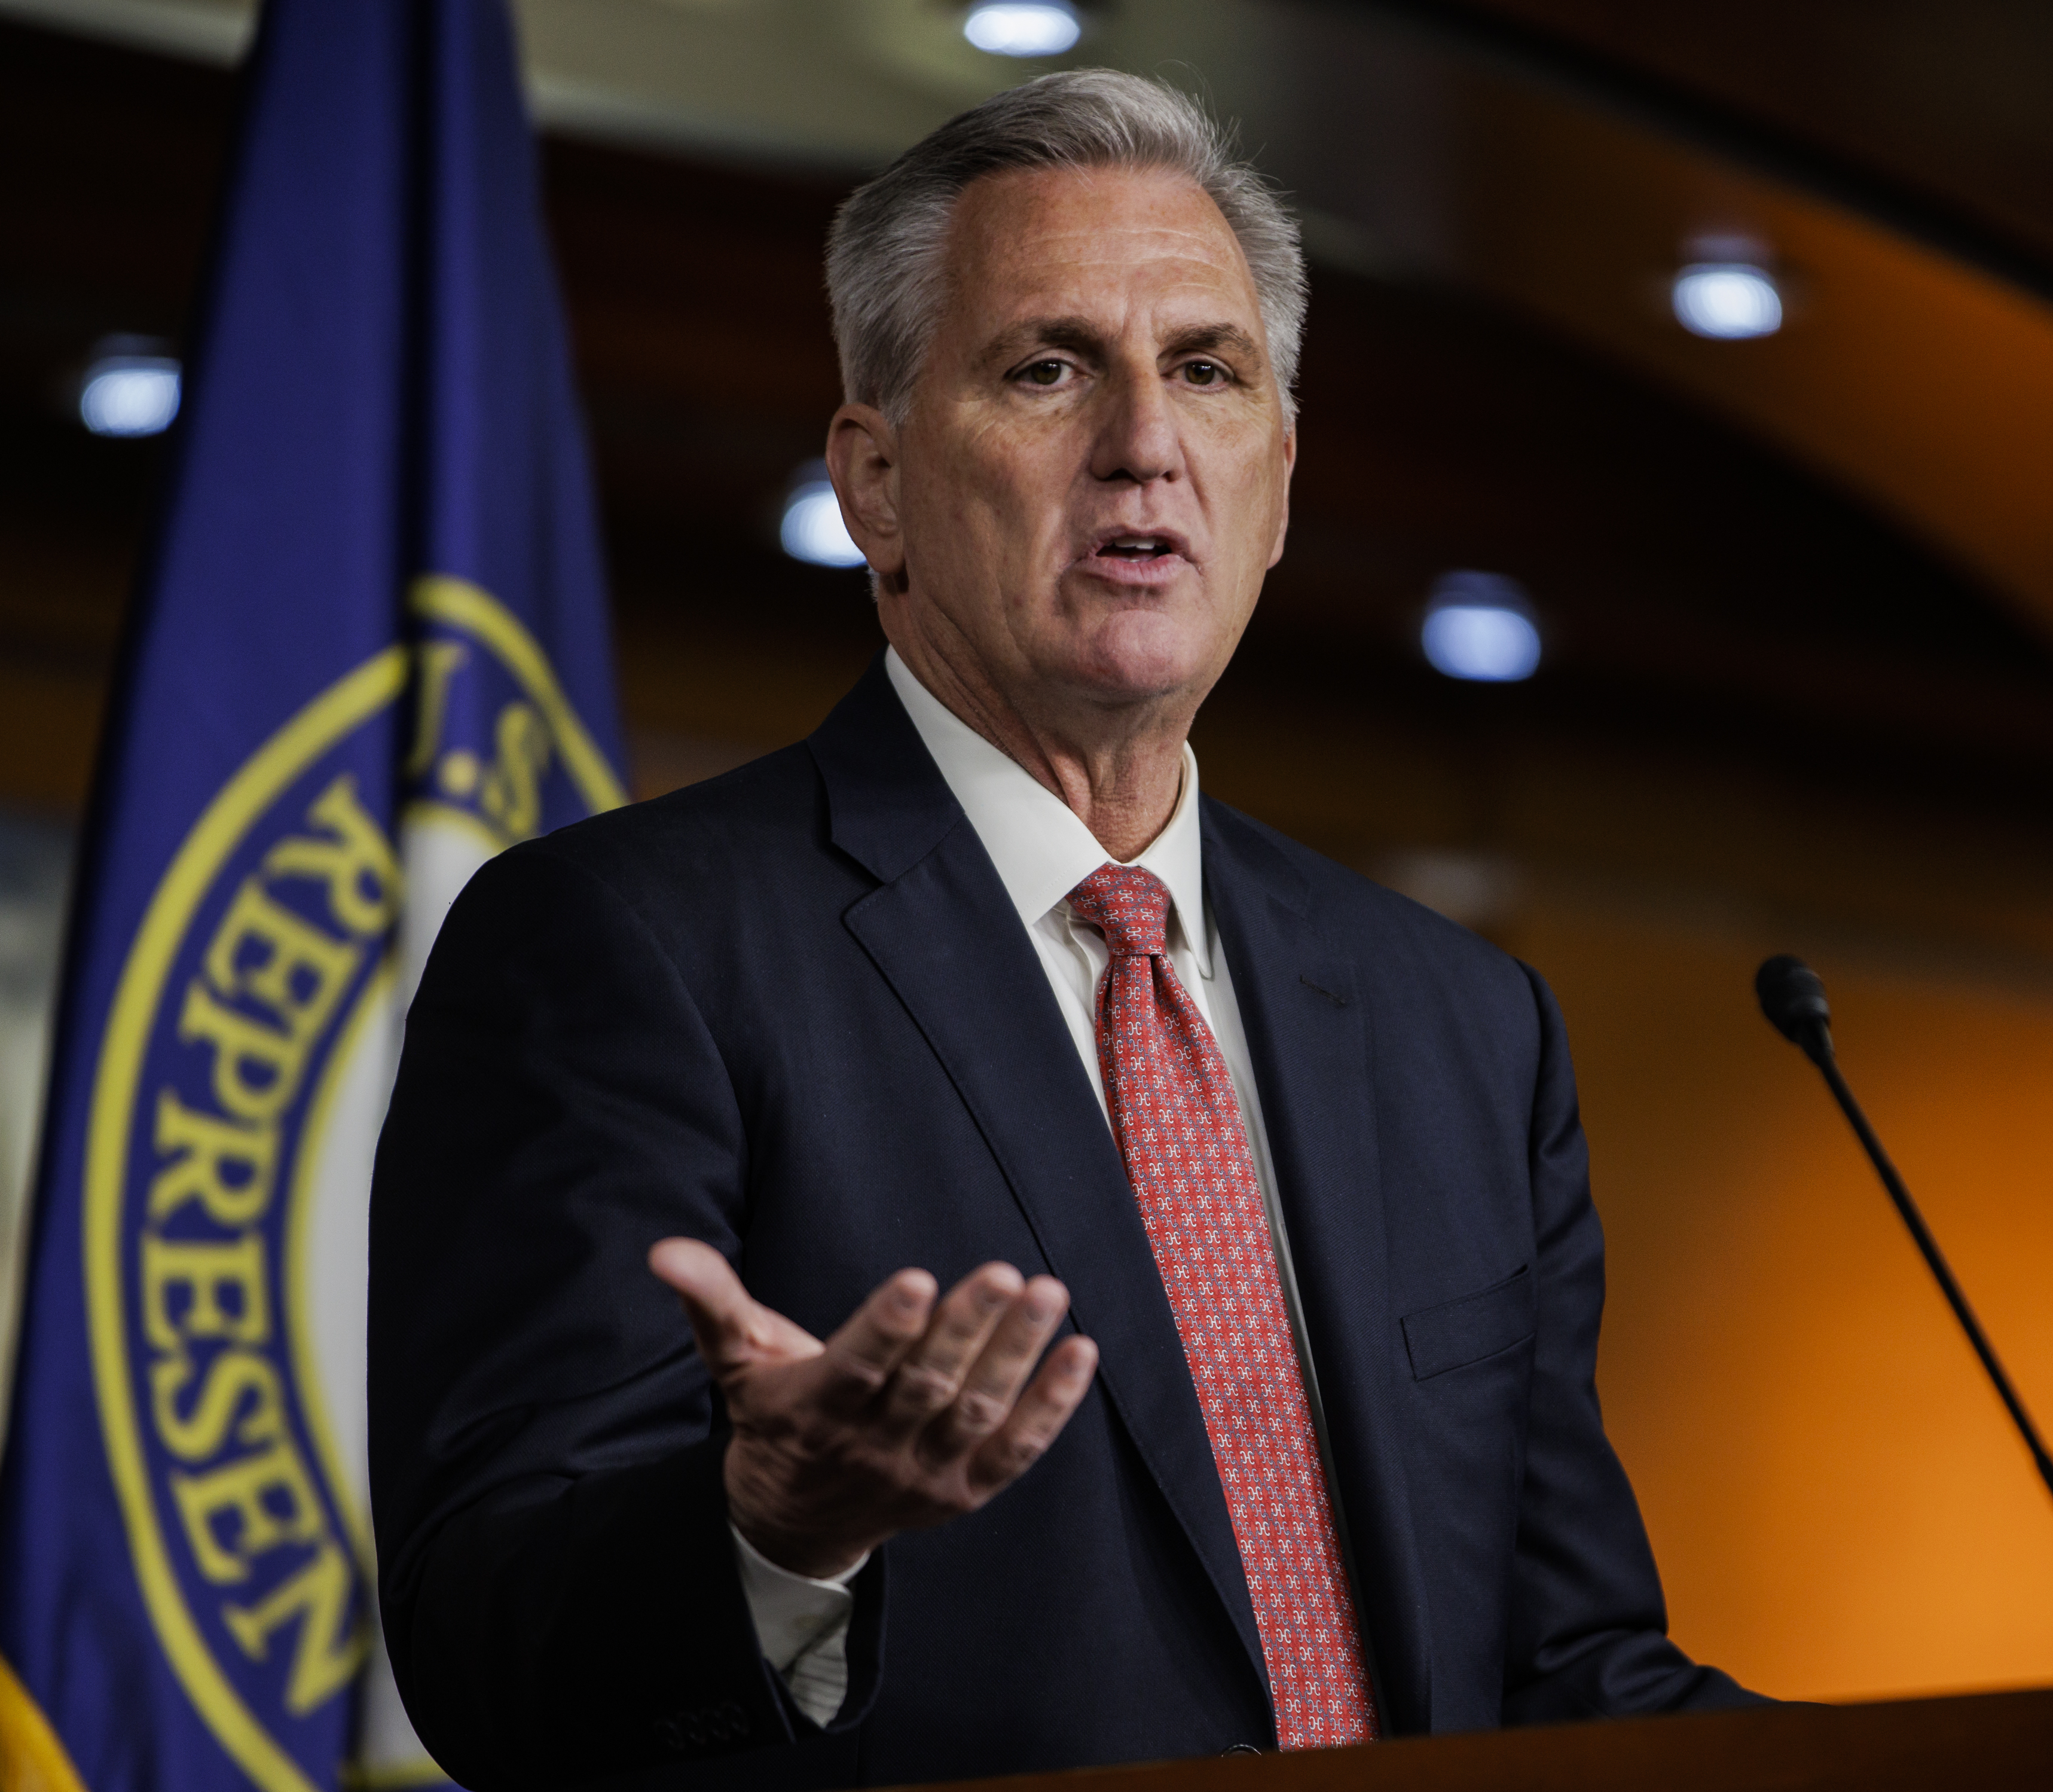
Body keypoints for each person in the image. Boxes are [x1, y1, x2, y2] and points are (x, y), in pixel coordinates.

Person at [369, 68, 1755, 1792]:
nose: (1143, 444)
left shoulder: (1459, 1023)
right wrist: (768, 1534)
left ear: (1280, 475)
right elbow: (485, 1653)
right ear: (874, 483)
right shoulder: (623, 947)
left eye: (1205, 370)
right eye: (1045, 369)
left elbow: (1563, 1666)